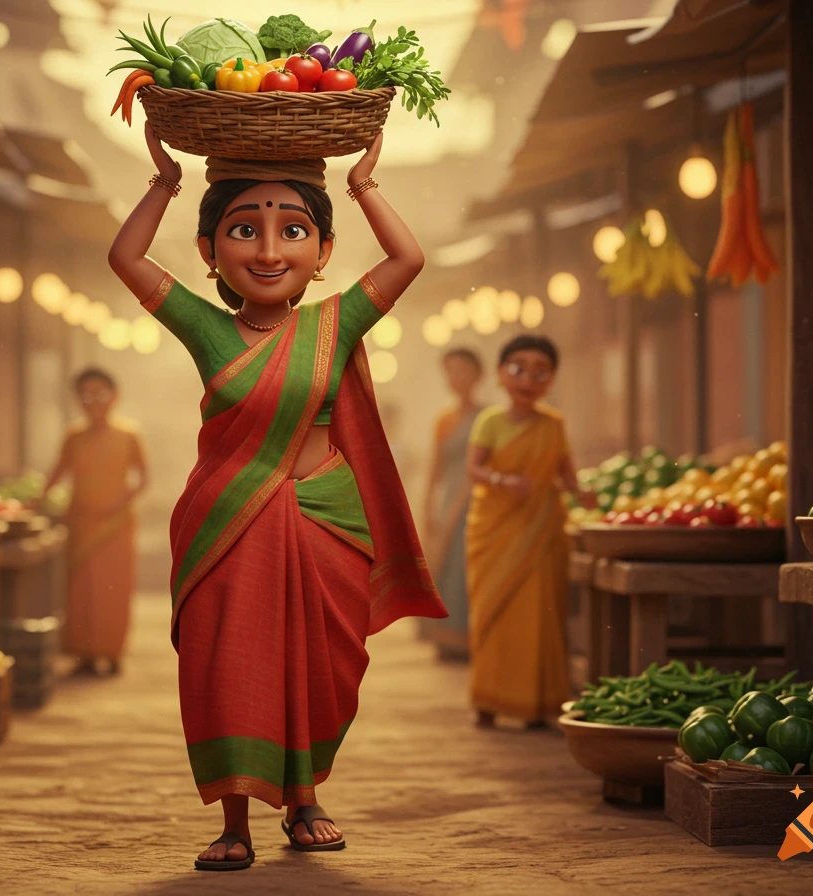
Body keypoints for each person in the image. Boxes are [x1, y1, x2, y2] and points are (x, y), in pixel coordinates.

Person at [108, 126, 445, 872]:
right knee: (229, 666)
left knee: (320, 669)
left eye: (293, 230)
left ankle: (306, 800)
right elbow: (126, 260)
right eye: (242, 230)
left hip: (326, 521)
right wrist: (163, 181)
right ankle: (235, 821)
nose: (268, 251)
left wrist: (363, 185)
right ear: (209, 250)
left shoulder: (336, 324)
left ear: (322, 252)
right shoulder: (207, 331)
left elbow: (408, 259)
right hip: (228, 526)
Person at [464, 335, 596, 728]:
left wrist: (583, 494)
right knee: (495, 613)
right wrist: (503, 480)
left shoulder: (553, 425)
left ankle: (538, 703)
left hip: (541, 533)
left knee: (541, 617)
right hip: (496, 532)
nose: (528, 379)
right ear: (501, 374)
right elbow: (475, 470)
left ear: (550, 380)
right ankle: (489, 698)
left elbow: (567, 474)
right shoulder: (490, 421)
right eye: (518, 368)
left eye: (541, 372)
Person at [39, 367, 147, 676]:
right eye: (86, 395)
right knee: (82, 591)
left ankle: (111, 653)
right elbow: (57, 474)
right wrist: (33, 504)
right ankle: (84, 654)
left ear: (115, 397)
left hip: (116, 525)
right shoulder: (74, 437)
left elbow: (142, 478)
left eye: (100, 395)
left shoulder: (129, 435)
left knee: (114, 589)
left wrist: (122, 499)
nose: (93, 402)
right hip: (81, 522)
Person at [421, 348, 484, 661]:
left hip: (478, 502)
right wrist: (427, 509)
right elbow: (435, 468)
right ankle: (446, 639)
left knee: (467, 567)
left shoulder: (486, 418)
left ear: (478, 375)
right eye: (451, 371)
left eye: (463, 370)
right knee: (445, 565)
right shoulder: (444, 420)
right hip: (448, 502)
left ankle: (472, 639)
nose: (457, 377)